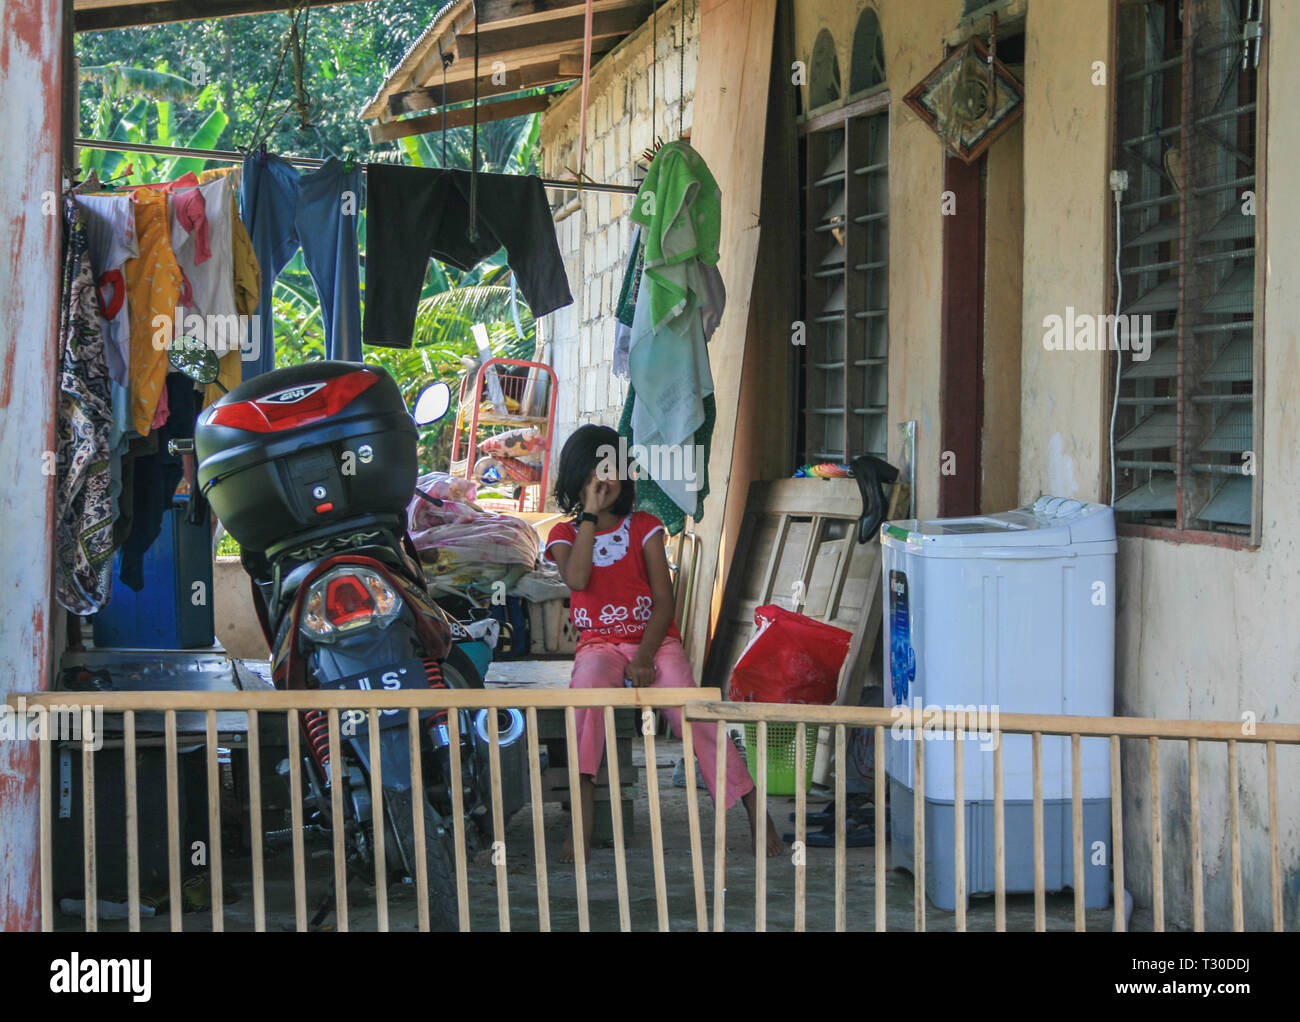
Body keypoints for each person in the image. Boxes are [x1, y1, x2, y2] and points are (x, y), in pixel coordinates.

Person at [544, 424, 781, 863]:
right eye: (594, 473)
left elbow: (664, 601)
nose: (604, 481)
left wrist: (648, 656)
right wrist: (589, 518)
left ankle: (753, 812)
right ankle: (583, 823)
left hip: (655, 642)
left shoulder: (646, 527)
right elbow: (576, 579)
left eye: (611, 471)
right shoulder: (563, 535)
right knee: (586, 702)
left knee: (696, 713)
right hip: (597, 646)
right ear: (576, 478)